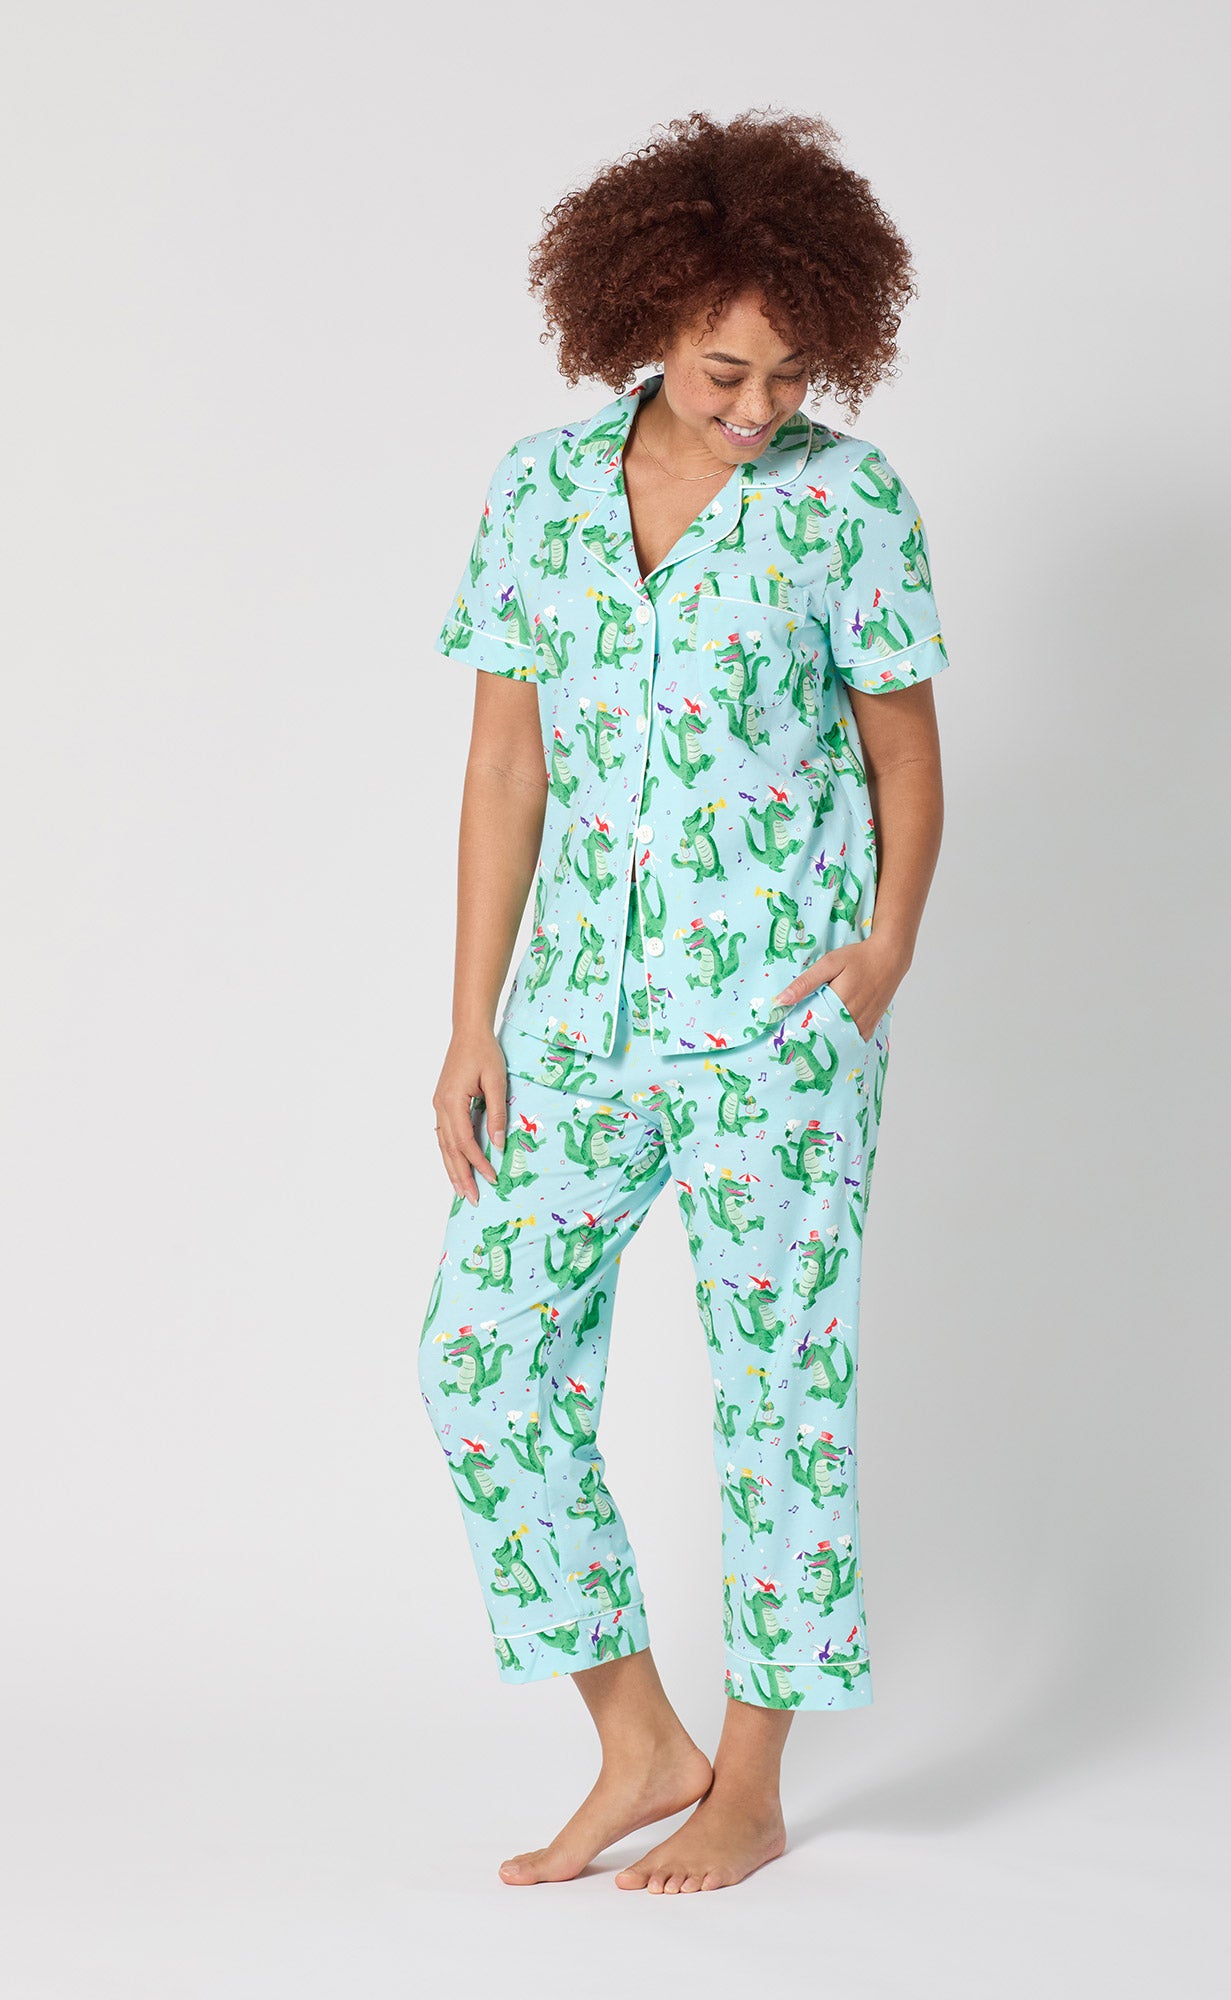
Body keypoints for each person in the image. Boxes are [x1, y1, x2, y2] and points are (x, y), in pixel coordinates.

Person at [417, 107, 951, 1893]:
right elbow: (505, 767)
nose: (758, 407)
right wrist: (472, 1020)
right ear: (644, 319)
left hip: (781, 1027)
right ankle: (640, 1738)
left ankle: (753, 1782)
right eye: (728, 371)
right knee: (479, 1361)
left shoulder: (846, 505)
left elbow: (905, 756)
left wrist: (880, 954)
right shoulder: (537, 493)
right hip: (576, 1018)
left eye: (792, 377)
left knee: (777, 1394)